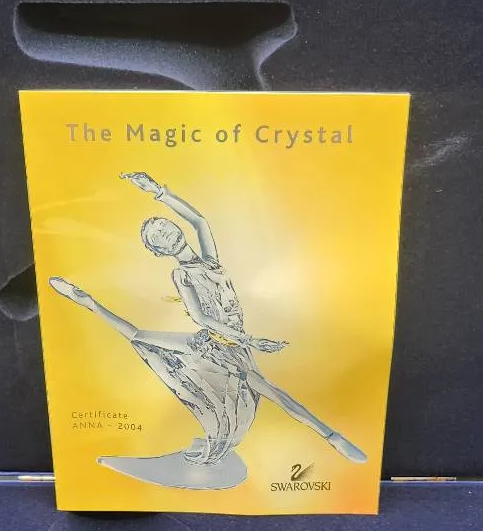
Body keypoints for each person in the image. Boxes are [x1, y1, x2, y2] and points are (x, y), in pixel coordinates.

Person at [49, 172, 366, 466]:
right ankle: (85, 300)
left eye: (163, 225)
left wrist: (158, 192)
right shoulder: (182, 275)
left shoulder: (209, 261)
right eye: (157, 236)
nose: (164, 232)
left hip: (233, 342)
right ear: (158, 251)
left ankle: (330, 436)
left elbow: (200, 221)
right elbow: (201, 317)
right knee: (140, 337)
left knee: (266, 390)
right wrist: (249, 340)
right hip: (217, 344)